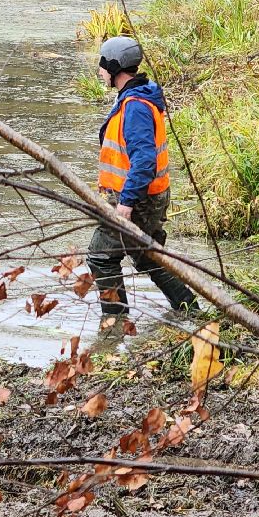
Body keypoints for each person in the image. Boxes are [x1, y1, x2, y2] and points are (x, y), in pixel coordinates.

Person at [85, 35, 197, 322]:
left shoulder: (135, 106)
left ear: (114, 66)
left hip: (138, 199)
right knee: (147, 255)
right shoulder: (136, 98)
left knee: (101, 257)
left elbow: (145, 159)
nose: (99, 71)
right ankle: (190, 312)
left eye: (102, 64)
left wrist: (126, 202)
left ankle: (116, 323)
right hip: (147, 195)